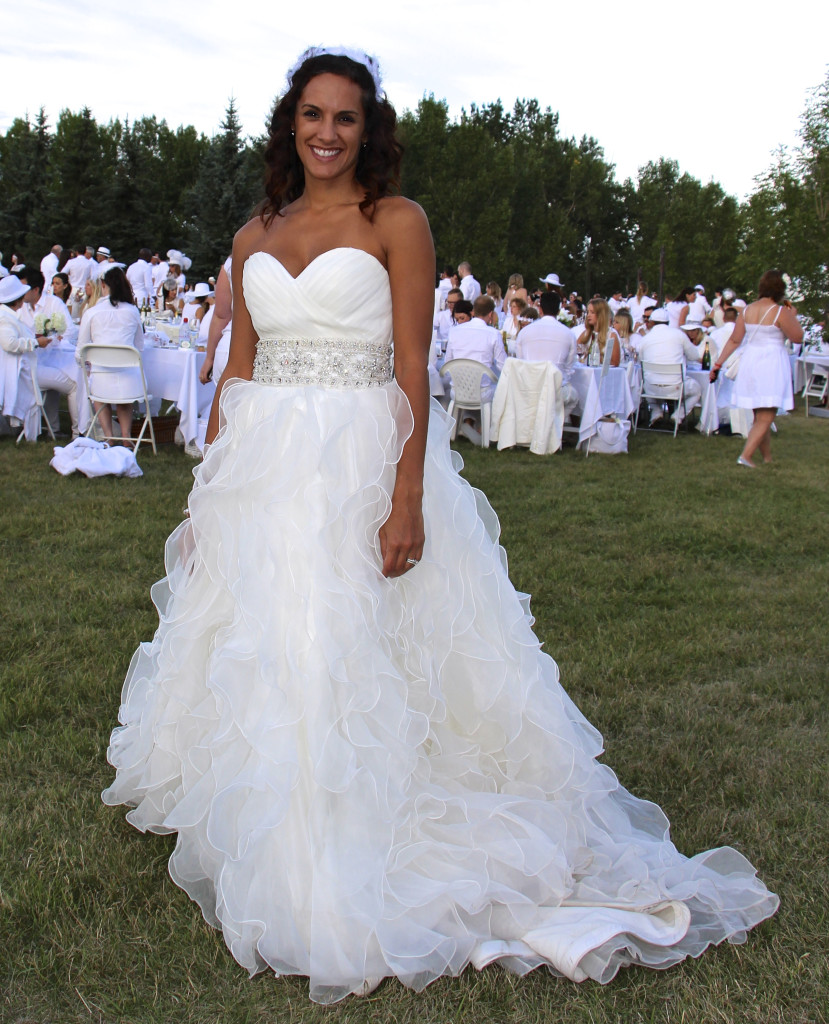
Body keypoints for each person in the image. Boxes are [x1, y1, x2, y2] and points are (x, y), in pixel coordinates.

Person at [102, 46, 778, 1005]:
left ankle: (355, 815)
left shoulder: (398, 223)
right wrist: (208, 488)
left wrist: (405, 495)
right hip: (263, 467)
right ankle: (272, 803)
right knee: (270, 638)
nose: (326, 132)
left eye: (345, 117)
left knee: (351, 641)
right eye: (311, 114)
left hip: (360, 458)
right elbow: (238, 373)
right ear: (288, 124)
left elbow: (412, 368)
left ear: (366, 129)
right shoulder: (256, 233)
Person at [709, 269, 803, 466]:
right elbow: (797, 337)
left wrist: (718, 363)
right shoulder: (780, 312)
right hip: (771, 362)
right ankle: (746, 455)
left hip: (751, 361)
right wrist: (793, 316)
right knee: (767, 415)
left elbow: (735, 340)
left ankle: (767, 459)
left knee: (760, 415)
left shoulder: (748, 310)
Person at [76, 265, 144, 446]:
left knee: (101, 393)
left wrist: (89, 367)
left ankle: (108, 437)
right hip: (130, 381)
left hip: (100, 380)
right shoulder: (132, 311)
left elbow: (80, 351)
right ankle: (126, 436)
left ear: (102, 285)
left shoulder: (91, 313)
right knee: (123, 395)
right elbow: (139, 347)